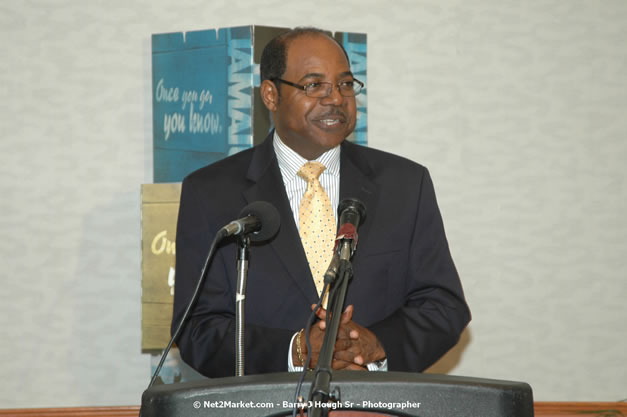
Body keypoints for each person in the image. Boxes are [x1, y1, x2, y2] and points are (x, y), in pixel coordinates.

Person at [172, 27, 470, 378]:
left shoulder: (404, 184)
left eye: (345, 85)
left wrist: (376, 346)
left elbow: (443, 307)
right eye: (314, 85)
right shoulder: (210, 192)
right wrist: (296, 350)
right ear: (270, 94)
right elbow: (197, 329)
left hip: (376, 406)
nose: (335, 99)